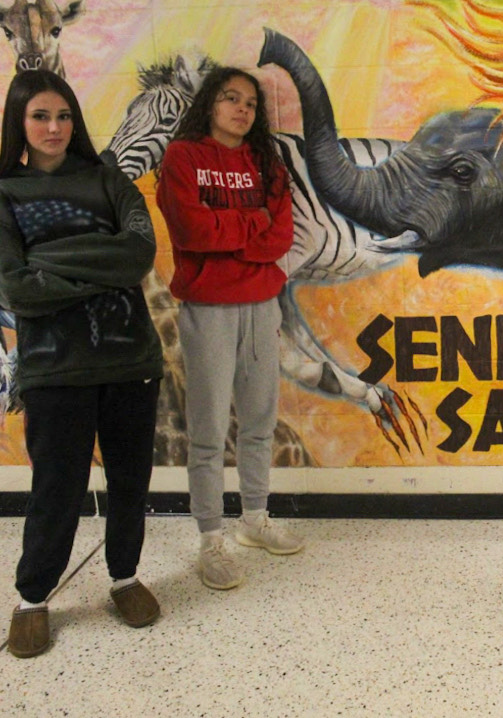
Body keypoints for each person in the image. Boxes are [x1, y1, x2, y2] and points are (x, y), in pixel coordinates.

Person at [0, 70, 164, 657]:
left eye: (63, 116)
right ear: (19, 122)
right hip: (53, 366)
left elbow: (139, 254)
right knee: (56, 488)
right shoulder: (4, 192)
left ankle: (123, 576)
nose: (54, 127)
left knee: (129, 482)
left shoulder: (109, 178)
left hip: (130, 359)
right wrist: (100, 264)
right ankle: (33, 597)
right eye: (41, 116)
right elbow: (18, 289)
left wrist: (51, 259)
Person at [155, 67, 302, 591]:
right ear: (209, 104)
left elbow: (280, 235)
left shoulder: (266, 160)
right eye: (230, 98)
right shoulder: (183, 157)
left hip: (262, 304)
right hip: (208, 308)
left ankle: (254, 522)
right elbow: (190, 231)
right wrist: (252, 221)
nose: (242, 109)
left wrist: (232, 232)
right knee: (210, 431)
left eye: (250, 103)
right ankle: (210, 541)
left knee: (260, 420)